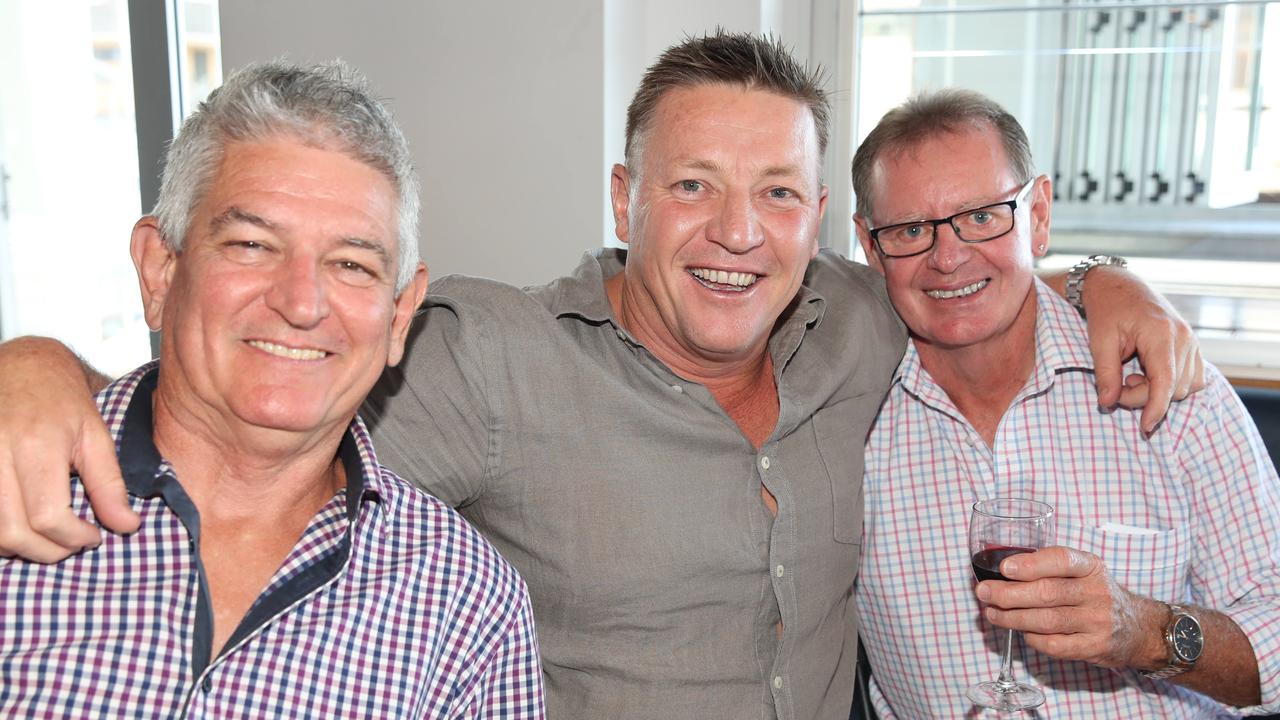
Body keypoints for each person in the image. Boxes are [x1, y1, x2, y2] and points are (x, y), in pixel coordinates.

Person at [0, 34, 1200, 719]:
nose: (738, 232)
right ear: (625, 199)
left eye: (776, 194)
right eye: (691, 187)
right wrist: (39, 366)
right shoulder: (486, 359)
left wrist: (1103, 279)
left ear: (817, 218)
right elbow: (256, 404)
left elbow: (969, 264)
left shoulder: (857, 314)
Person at [0, 61, 544, 718]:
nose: (301, 302)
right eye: (253, 244)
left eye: (351, 264)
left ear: (399, 316)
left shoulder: (468, 604)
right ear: (159, 270)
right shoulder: (19, 483)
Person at [853, 89, 1279, 718]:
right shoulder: (843, 411)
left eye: (983, 215)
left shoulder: (1165, 385)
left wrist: (1146, 631)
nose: (948, 257)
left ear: (1040, 214)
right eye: (911, 229)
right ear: (870, 244)